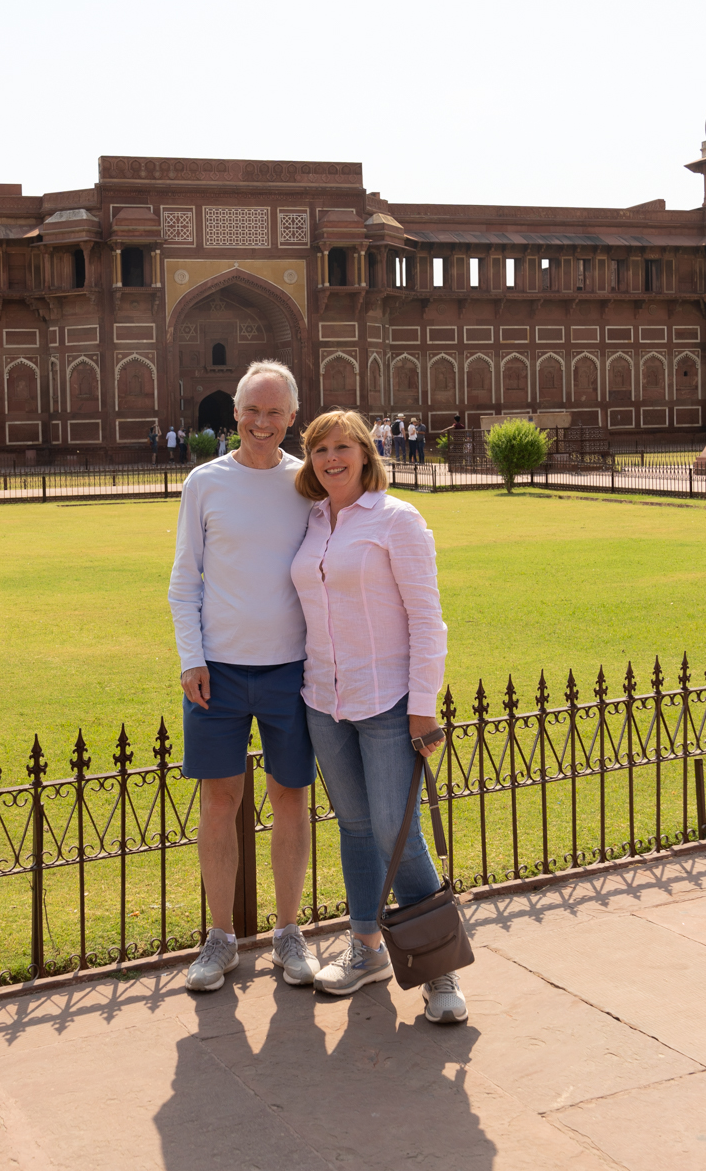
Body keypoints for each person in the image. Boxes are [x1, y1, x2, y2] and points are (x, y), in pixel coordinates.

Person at [290, 408, 465, 1024]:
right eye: (319, 450)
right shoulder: (312, 522)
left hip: (388, 701)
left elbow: (427, 619)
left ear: (366, 452)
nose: (331, 459)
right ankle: (367, 950)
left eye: (342, 447)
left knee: (398, 830)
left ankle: (437, 966)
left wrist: (424, 709)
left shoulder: (397, 519)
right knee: (358, 828)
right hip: (324, 699)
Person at [169, 360, 322, 992]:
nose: (263, 423)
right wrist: (191, 657)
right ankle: (221, 938)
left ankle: (289, 933)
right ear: (235, 413)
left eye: (275, 412)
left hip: (292, 668)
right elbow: (185, 581)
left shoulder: (307, 483)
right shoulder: (206, 483)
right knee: (220, 800)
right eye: (252, 411)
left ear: (293, 416)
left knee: (292, 798)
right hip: (221, 671)